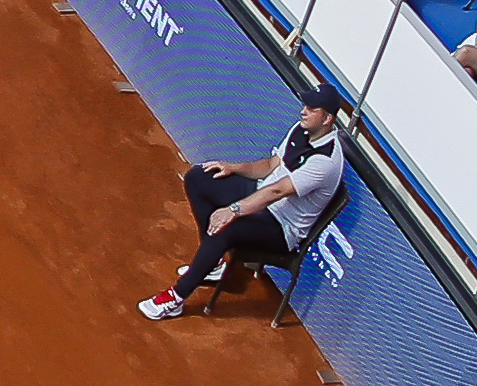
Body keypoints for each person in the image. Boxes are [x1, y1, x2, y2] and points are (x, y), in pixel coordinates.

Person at [140, 90, 352, 319]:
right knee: (199, 177)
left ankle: (176, 298)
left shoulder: (326, 160)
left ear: (328, 118)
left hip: (281, 227)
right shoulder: (301, 129)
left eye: (312, 109)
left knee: (225, 227)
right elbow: (272, 164)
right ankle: (213, 266)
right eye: (305, 105)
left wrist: (232, 210)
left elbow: (277, 191)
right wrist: (234, 168)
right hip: (262, 193)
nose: (303, 111)